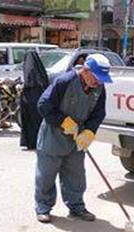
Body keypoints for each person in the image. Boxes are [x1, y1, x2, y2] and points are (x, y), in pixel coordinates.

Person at [34, 54, 111, 223]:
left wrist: (89, 131)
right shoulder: (65, 81)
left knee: (76, 175)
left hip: (78, 137)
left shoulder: (99, 88)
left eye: (102, 79)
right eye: (97, 77)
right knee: (46, 175)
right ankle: (43, 207)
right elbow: (43, 104)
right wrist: (63, 121)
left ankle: (76, 207)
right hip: (53, 135)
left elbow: (99, 113)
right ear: (85, 70)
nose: (98, 82)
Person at [20, 50, 49, 150]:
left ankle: (30, 142)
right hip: (39, 97)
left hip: (29, 98)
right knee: (38, 121)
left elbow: (28, 81)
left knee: (29, 121)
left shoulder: (28, 69)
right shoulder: (40, 70)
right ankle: (39, 140)